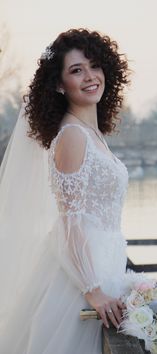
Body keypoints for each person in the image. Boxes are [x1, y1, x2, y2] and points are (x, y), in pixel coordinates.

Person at [0, 28, 132, 354]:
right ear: (59, 85)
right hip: (81, 283)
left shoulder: (93, 134)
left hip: (106, 268)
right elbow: (69, 223)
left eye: (95, 66)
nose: (90, 76)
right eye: (76, 70)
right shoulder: (73, 136)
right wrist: (93, 290)